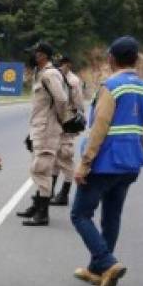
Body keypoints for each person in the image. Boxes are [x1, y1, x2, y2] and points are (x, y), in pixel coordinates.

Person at [71, 36, 143, 286]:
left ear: (111, 59)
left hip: (105, 163)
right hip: (130, 164)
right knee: (112, 216)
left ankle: (107, 262)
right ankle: (97, 271)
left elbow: (98, 129)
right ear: (136, 59)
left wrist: (84, 164)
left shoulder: (111, 86)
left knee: (80, 214)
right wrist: (135, 154)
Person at [17, 41, 71, 226]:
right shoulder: (40, 74)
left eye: (34, 53)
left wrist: (58, 122)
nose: (31, 57)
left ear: (42, 56)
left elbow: (62, 100)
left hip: (47, 129)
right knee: (40, 168)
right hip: (39, 128)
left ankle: (42, 213)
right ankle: (38, 206)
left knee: (41, 169)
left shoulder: (50, 74)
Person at [51, 55, 86, 206]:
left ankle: (64, 193)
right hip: (57, 122)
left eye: (62, 64)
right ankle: (50, 192)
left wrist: (77, 118)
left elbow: (78, 104)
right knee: (54, 159)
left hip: (68, 122)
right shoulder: (57, 78)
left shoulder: (73, 81)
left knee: (65, 157)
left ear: (68, 65)